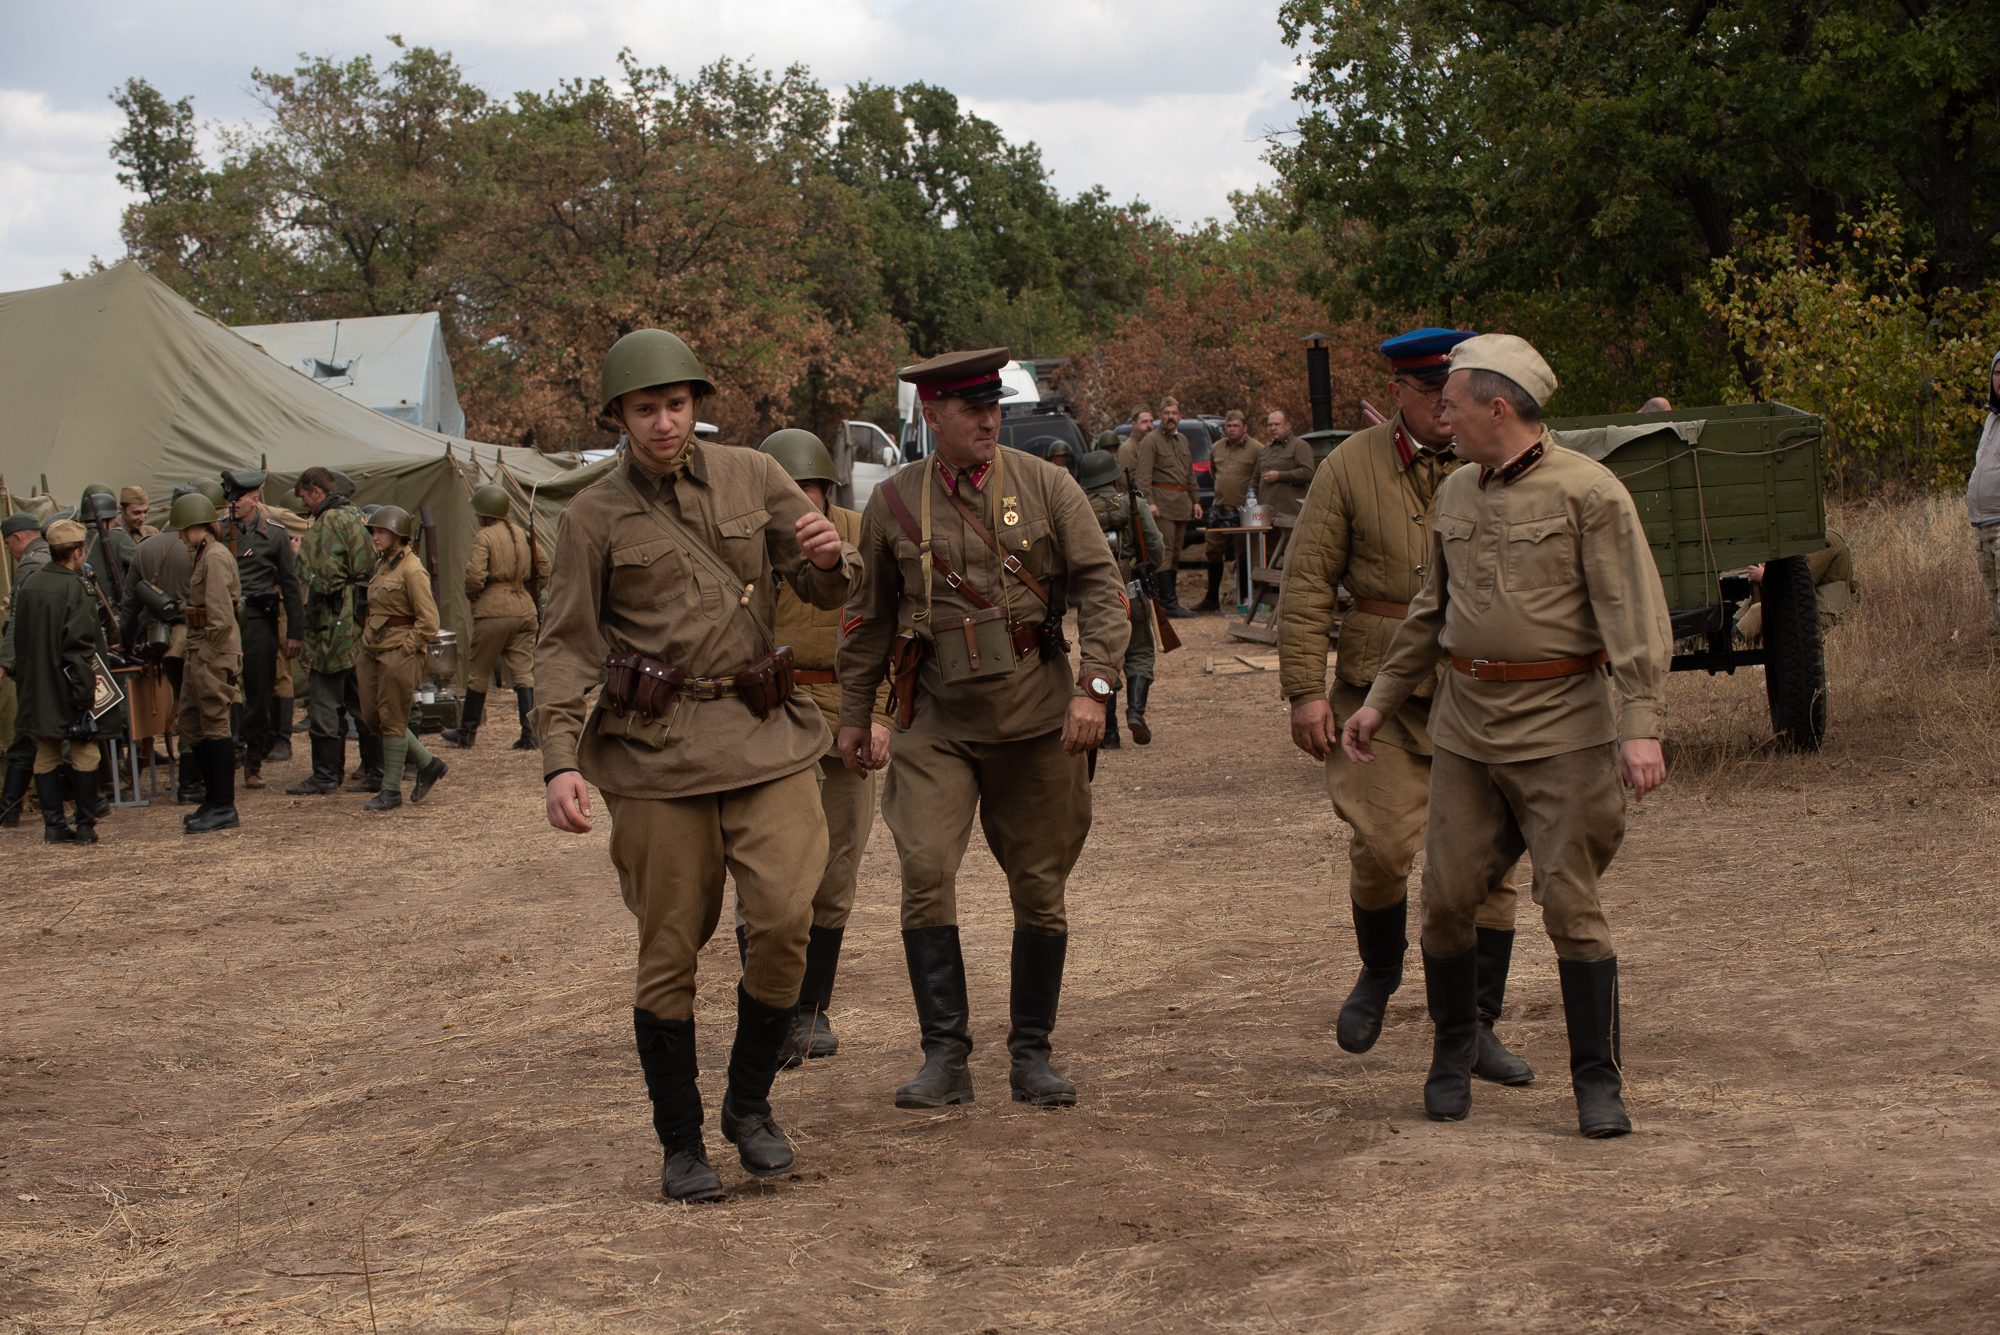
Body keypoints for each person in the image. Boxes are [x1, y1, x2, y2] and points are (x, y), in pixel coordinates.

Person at [535, 329, 857, 1202]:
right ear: (619, 417)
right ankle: (681, 1143)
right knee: (670, 944)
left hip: (764, 734)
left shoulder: (756, 475)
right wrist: (560, 759)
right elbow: (565, 646)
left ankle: (749, 1106)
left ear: (697, 404)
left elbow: (824, 579)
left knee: (789, 914)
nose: (666, 421)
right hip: (656, 754)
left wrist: (832, 558)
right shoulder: (592, 517)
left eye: (677, 404)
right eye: (647, 408)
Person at [1341, 333, 1671, 1138]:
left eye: (1450, 402)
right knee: (1447, 898)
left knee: (1570, 903)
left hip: (1563, 729)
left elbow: (1635, 619)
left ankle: (1598, 1082)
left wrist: (1641, 728)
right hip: (1466, 727)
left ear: (1498, 407)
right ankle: (1452, 1054)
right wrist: (1380, 700)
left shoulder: (1589, 493)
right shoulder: (1456, 491)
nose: (1439, 415)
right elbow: (1431, 613)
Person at [836, 347, 1130, 1113]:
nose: (988, 419)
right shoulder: (895, 502)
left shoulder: (1047, 485)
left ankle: (1032, 1053)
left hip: (1037, 717)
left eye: (993, 406)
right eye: (970, 409)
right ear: (932, 416)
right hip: (935, 720)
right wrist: (854, 715)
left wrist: (1096, 687)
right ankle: (946, 1056)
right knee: (925, 868)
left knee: (1039, 886)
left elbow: (1102, 585)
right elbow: (867, 619)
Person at [1282, 328, 1534, 1086]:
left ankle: (1475, 1028)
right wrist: (1302, 690)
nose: (1444, 413)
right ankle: (1379, 970)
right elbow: (1305, 584)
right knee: (1384, 843)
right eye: (1430, 396)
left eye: (1452, 396)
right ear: (1397, 391)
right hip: (1378, 693)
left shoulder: (1496, 462)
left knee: (1489, 870)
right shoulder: (1348, 467)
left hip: (1480, 689)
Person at [754, 429, 896, 1067]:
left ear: (825, 489)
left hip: (847, 714)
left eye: (805, 493)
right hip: (768, 717)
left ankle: (810, 1011)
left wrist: (882, 714)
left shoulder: (863, 535)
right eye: (782, 497)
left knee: (837, 867)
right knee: (769, 874)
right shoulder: (747, 547)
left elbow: (895, 627)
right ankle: (766, 1013)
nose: (798, 510)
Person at [10, 519, 107, 844]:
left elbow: (18, 640)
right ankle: (84, 825)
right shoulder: (74, 588)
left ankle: (53, 826)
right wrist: (84, 696)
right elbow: (79, 648)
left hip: (35, 687)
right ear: (78, 551)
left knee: (47, 752)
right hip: (67, 687)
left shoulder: (30, 584)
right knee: (85, 751)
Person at [288, 466, 378, 796]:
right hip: (358, 619)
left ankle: (326, 775)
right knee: (361, 699)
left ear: (316, 492)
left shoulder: (328, 521)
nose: (304, 505)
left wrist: (299, 557)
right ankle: (375, 769)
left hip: (333, 625)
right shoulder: (355, 514)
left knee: (323, 700)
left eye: (304, 498)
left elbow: (324, 579)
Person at [355, 506, 448, 812]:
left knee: (393, 718)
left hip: (398, 650)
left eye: (381, 532)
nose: (375, 537)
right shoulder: (384, 564)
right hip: (373, 648)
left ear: (398, 535)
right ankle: (428, 763)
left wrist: (408, 649)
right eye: (374, 532)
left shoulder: (412, 569)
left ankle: (390, 791)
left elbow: (429, 620)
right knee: (373, 716)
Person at [442, 485, 548, 750]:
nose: (477, 517)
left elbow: (474, 576)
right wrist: (529, 594)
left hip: (493, 611)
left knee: (478, 672)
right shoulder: (523, 535)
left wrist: (476, 596)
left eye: (478, 512)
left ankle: (466, 733)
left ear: (485, 514)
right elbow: (544, 566)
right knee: (524, 673)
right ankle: (530, 734)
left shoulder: (484, 537)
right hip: (525, 610)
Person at [219, 470, 304, 789]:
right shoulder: (218, 531)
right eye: (228, 497)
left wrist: (295, 631)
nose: (231, 504)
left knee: (258, 693)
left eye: (236, 498)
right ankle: (228, 754)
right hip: (224, 622)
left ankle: (253, 763)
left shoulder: (276, 535)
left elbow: (291, 586)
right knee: (223, 693)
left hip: (258, 622)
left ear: (254, 499)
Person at [1078, 448, 1166, 747]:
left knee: (1102, 656)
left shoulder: (1077, 506)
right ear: (1113, 474)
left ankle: (1110, 731)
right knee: (1140, 652)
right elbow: (1155, 548)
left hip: (1096, 594)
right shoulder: (1133, 503)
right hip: (1134, 590)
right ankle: (1135, 712)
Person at [171, 491, 244, 834]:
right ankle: (214, 799)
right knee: (189, 721)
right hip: (199, 646)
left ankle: (224, 805)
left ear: (193, 526)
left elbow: (220, 614)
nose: (180, 535)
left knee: (215, 723)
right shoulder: (203, 554)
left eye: (182, 529)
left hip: (212, 649)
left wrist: (210, 659)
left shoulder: (214, 557)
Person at [0, 511, 54, 827]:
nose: (10, 551)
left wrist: (4, 663)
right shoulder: (55, 554)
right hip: (58, 661)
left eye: (9, 545)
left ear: (19, 538)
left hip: (35, 665)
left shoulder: (30, 565)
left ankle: (10, 809)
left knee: (27, 732)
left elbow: (18, 620)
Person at [1133, 397, 1200, 618]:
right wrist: (1150, 502)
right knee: (1164, 554)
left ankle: (1170, 602)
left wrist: (1196, 499)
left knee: (1177, 553)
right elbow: (1143, 477)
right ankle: (1168, 604)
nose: (1170, 417)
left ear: (1180, 416)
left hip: (1182, 504)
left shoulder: (1183, 441)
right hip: (1162, 505)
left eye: (1174, 413)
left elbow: (1189, 473)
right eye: (1166, 413)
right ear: (1160, 416)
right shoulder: (1150, 441)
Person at [1734, 532, 1855, 645]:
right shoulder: (1818, 538)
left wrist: (1765, 576)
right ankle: (1730, 633)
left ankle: (1732, 643)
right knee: (1749, 602)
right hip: (1815, 603)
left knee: (1758, 611)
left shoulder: (1821, 542)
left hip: (1827, 609)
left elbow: (1802, 582)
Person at [1198, 410, 1262, 612]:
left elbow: (1259, 477)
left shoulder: (1256, 449)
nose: (1231, 430)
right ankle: (1211, 599)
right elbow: (1213, 472)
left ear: (1244, 427)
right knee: (1213, 551)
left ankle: (1244, 596)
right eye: (1228, 426)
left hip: (1244, 510)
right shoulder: (1217, 447)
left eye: (1235, 426)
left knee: (1243, 553)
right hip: (1220, 509)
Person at [1965, 351, 2000, 628]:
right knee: (1994, 599)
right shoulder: (1991, 420)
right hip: (1983, 528)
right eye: (1998, 374)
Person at [1258, 410, 1317, 522]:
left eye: (1277, 424)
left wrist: (1279, 476)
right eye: (1270, 425)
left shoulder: (1300, 446)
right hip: (1266, 515)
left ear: (1288, 425)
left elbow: (1308, 473)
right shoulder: (1265, 450)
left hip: (1290, 515)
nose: (1273, 428)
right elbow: (1256, 479)